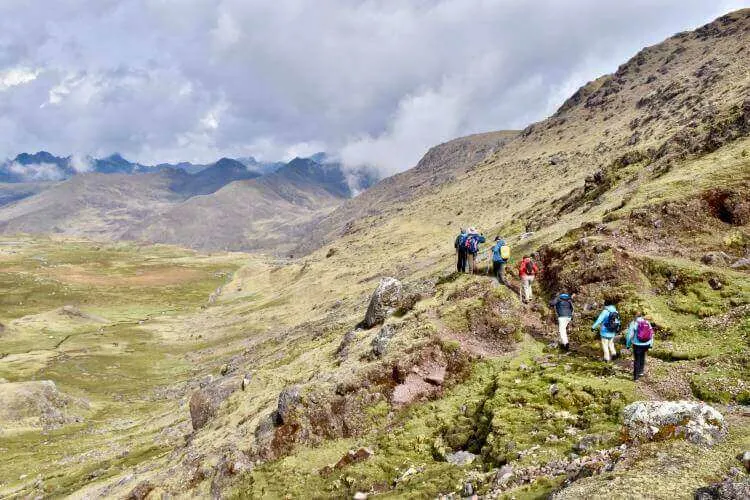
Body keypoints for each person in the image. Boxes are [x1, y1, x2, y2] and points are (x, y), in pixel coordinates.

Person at [626, 313, 654, 380]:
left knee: (637, 359)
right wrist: (651, 344)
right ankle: (641, 372)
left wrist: (628, 344)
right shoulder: (647, 322)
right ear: (641, 316)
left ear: (634, 316)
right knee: (643, 356)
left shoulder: (634, 323)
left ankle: (636, 377)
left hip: (637, 344)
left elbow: (630, 335)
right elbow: (651, 333)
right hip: (646, 344)